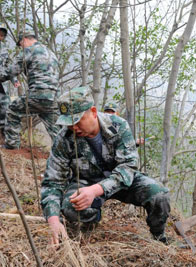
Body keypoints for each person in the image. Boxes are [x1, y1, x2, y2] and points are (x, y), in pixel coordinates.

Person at [41, 86, 170, 247]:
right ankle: (91, 223)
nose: (73, 127)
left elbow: (129, 167)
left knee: (159, 195)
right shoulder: (64, 139)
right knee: (70, 207)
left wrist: (95, 190)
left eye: (77, 121)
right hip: (86, 181)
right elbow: (52, 182)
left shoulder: (118, 126)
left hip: (122, 181)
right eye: (68, 123)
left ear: (93, 112)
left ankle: (159, 237)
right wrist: (53, 219)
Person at [0, 31, 59, 149]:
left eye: (21, 44)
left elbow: (11, 72)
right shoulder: (50, 52)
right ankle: (63, 151)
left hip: (37, 95)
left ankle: (11, 145)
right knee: (55, 128)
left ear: (25, 39)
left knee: (11, 110)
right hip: (53, 97)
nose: (21, 46)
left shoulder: (28, 51)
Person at [0, 24, 19, 136]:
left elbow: (8, 66)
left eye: (2, 35)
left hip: (1, 81)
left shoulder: (4, 49)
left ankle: (3, 131)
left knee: (5, 105)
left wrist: (14, 80)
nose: (0, 37)